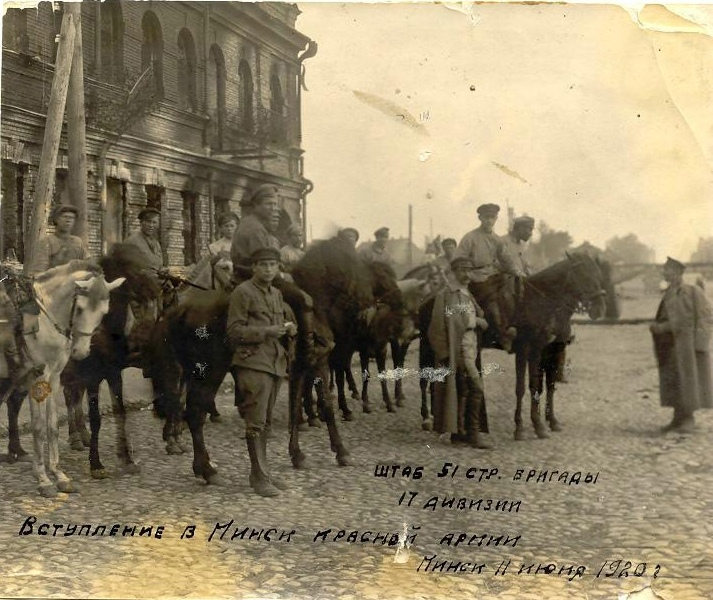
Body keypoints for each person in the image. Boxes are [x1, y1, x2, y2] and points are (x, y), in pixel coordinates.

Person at [227, 247, 298, 497]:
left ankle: (262, 471)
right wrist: (267, 331)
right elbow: (233, 331)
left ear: (278, 268)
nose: (268, 269)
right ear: (254, 267)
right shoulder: (243, 292)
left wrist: (289, 328)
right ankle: (259, 478)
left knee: (266, 422)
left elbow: (277, 325)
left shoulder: (276, 293)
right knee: (256, 422)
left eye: (272, 265)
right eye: (263, 265)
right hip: (252, 361)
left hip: (274, 361)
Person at [231, 183, 324, 363]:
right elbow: (264, 262)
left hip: (249, 273)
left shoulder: (252, 223)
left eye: (274, 204)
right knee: (303, 299)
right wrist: (282, 275)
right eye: (268, 204)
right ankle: (306, 352)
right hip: (256, 277)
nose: (273, 208)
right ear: (256, 205)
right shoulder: (256, 229)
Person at [428, 256, 492, 449]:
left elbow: (474, 314)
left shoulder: (467, 293)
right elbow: (438, 326)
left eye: (469, 270)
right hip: (458, 348)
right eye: (462, 270)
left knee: (462, 389)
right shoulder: (447, 294)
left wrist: (479, 319)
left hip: (471, 344)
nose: (467, 274)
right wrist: (446, 354)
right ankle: (473, 433)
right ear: (454, 272)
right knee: (476, 387)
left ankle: (459, 432)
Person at [650, 257, 712, 433]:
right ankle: (678, 418)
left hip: (687, 346)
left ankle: (688, 419)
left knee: (688, 380)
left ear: (677, 272)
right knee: (674, 379)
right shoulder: (669, 293)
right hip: (670, 346)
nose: (664, 272)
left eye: (667, 269)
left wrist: (700, 344)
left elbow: (704, 316)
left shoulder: (692, 291)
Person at [455, 203, 526, 352]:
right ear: (480, 218)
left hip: (493, 276)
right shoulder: (470, 238)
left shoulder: (497, 240)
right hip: (475, 277)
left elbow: (506, 260)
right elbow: (458, 259)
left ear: (496, 219)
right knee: (492, 303)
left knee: (512, 292)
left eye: (492, 217)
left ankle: (515, 328)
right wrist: (466, 272)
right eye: (486, 217)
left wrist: (518, 272)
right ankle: (500, 334)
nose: (489, 221)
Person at [29, 204, 89, 275]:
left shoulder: (78, 242)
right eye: (65, 217)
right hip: (53, 280)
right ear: (56, 219)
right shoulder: (47, 241)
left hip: (75, 280)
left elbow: (88, 263)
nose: (68, 220)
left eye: (72, 218)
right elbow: (39, 271)